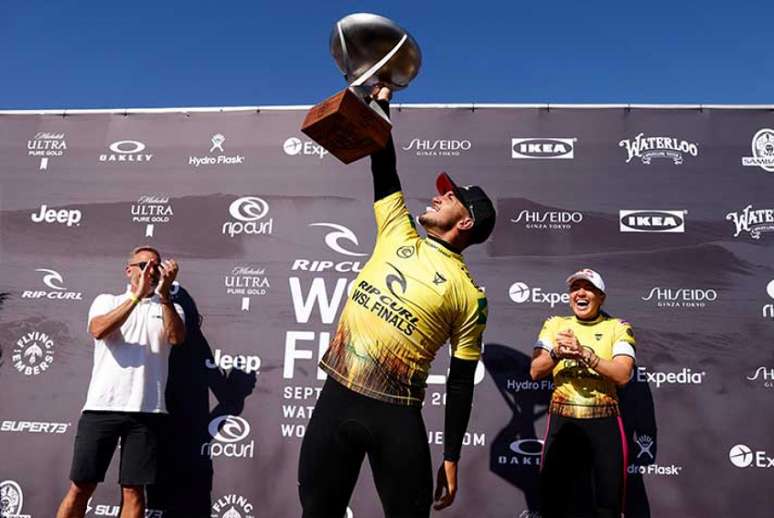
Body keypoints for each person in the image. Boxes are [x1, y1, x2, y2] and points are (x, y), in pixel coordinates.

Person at [298, 86, 496, 518]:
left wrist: (451, 457)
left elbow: (461, 382)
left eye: (451, 196)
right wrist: (382, 102)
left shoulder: (471, 295)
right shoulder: (397, 231)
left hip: (397, 418)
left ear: (465, 221)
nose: (439, 195)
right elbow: (384, 164)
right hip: (336, 400)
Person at [56, 246, 185, 518]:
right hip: (102, 407)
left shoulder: (171, 308)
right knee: (81, 486)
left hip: (147, 412)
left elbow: (176, 338)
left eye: (157, 266)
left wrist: (163, 297)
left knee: (134, 491)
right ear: (129, 271)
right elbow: (98, 329)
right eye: (144, 265)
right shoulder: (106, 300)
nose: (151, 271)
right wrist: (136, 298)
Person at [530, 269, 635, 518]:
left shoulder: (618, 327)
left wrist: (585, 354)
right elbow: (535, 371)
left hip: (605, 421)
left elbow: (623, 375)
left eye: (587, 288)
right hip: (563, 420)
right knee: (552, 502)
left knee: (608, 505)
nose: (580, 293)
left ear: (601, 297)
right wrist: (557, 353)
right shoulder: (555, 325)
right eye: (575, 288)